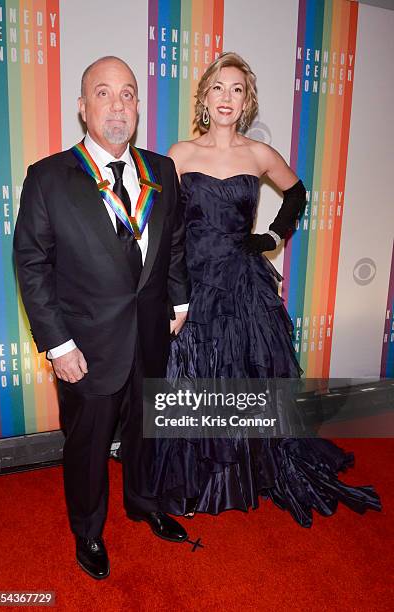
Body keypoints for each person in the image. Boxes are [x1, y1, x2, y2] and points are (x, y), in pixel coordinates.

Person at [150, 52, 381, 526]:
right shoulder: (178, 154)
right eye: (218, 87)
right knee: (191, 380)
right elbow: (161, 225)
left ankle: (248, 472)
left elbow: (296, 193)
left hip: (242, 283)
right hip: (193, 284)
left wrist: (272, 236)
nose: (226, 98)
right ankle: (192, 479)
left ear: (247, 99)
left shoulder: (257, 155)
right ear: (204, 96)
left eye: (236, 89)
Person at [14, 56, 190, 580]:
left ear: (138, 106)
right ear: (82, 106)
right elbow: (32, 264)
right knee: (87, 446)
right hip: (85, 347)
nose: (118, 105)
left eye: (129, 94)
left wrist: (179, 301)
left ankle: (143, 501)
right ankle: (87, 532)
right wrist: (57, 344)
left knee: (147, 431)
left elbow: (173, 243)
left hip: (152, 335)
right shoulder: (47, 177)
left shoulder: (162, 170)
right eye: (104, 93)